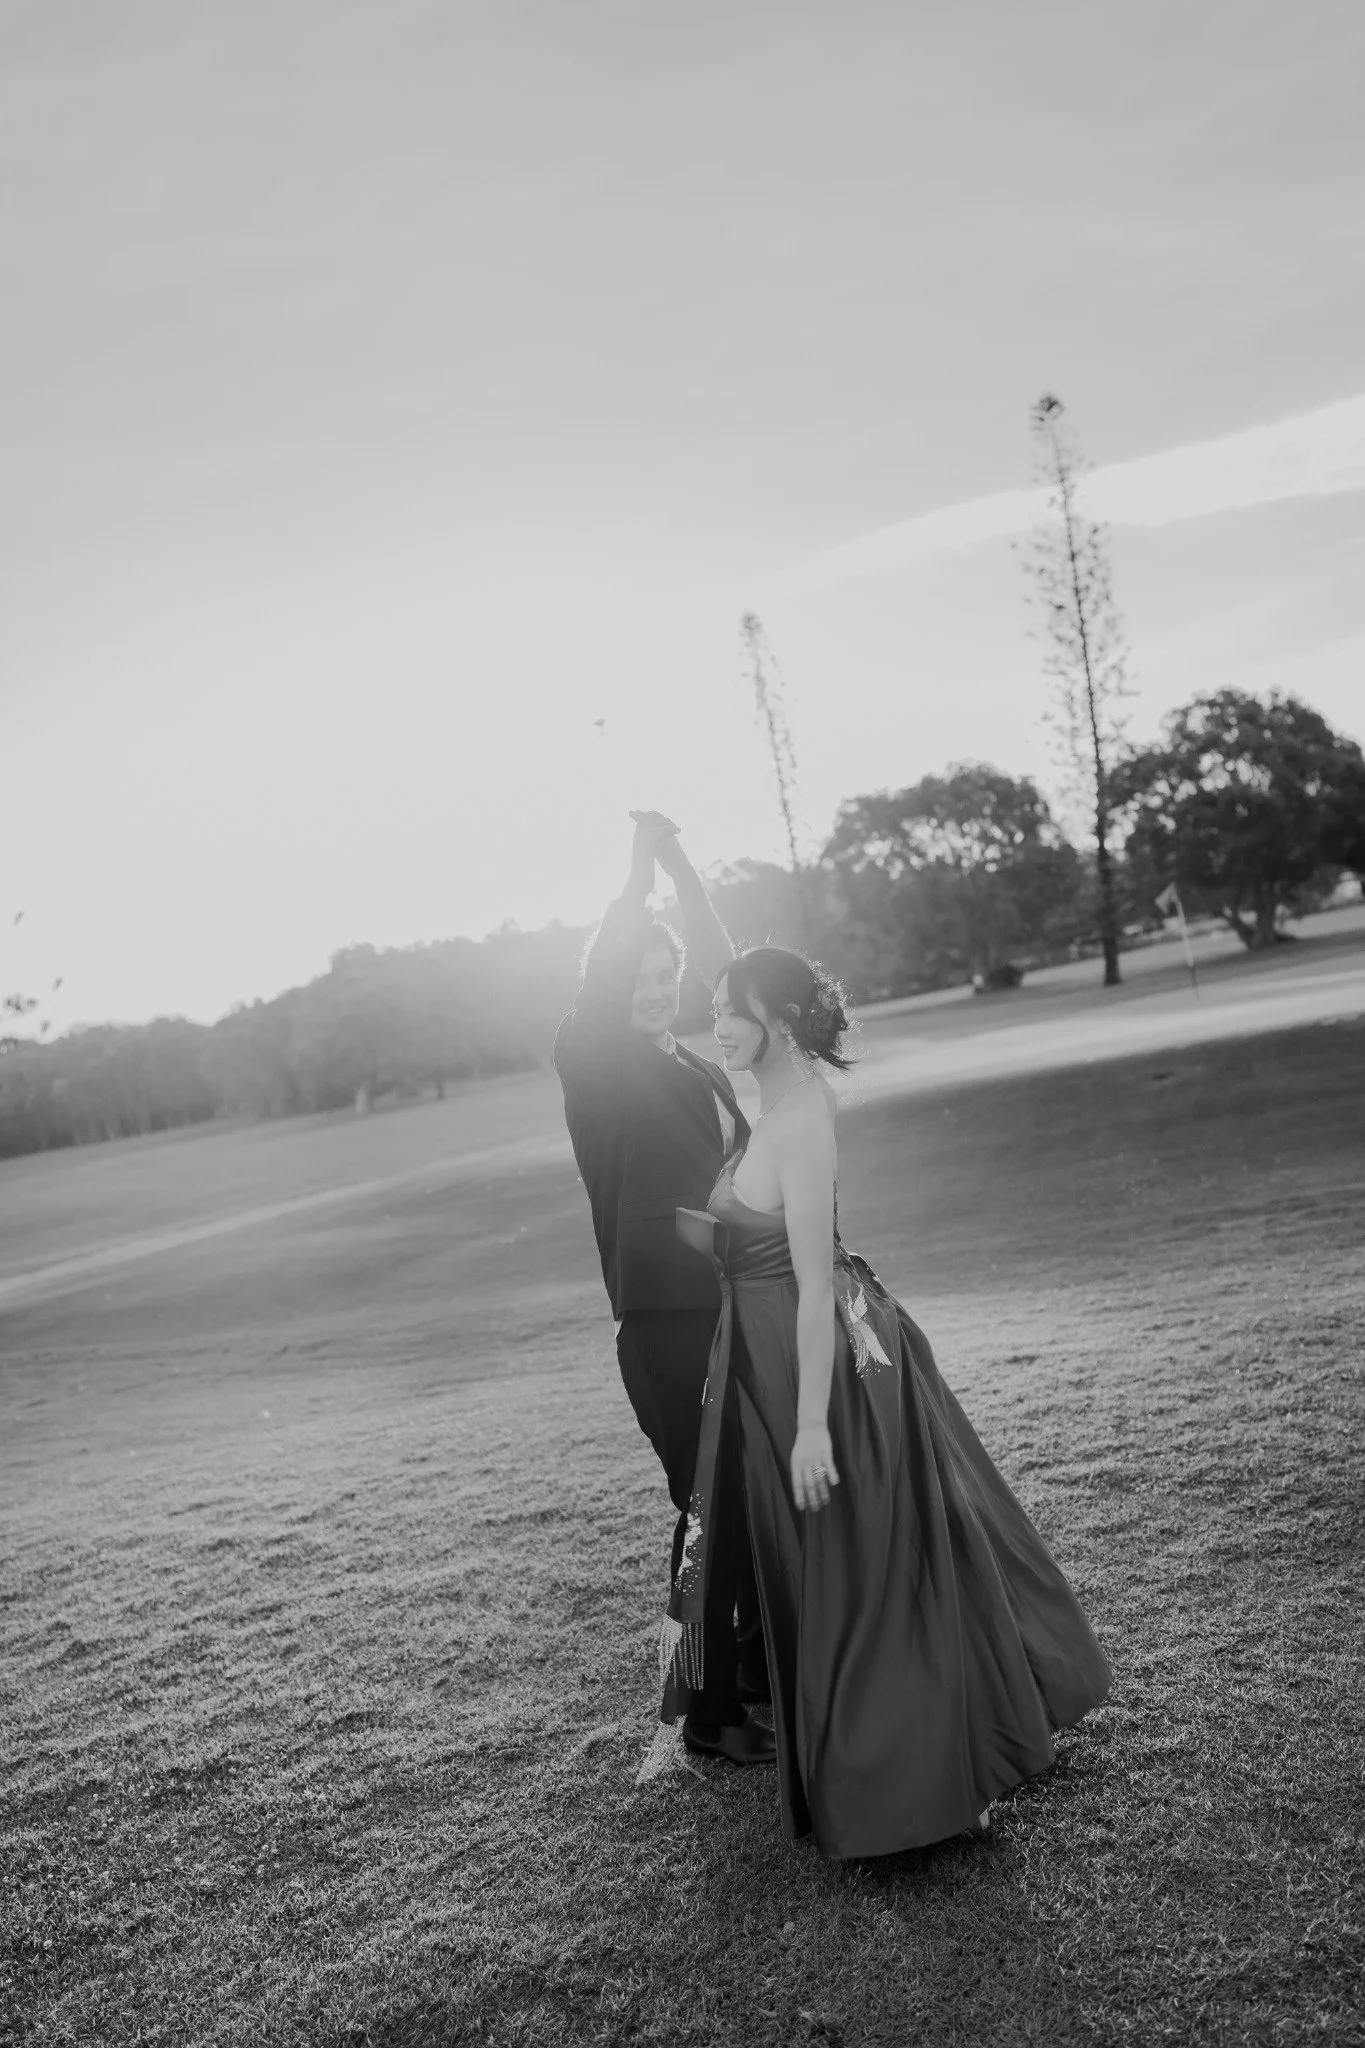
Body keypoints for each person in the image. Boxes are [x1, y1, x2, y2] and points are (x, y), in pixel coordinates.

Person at [661, 945, 1111, 1856]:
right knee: (844, 1562)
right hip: (767, 1356)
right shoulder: (775, 1102)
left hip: (816, 1364)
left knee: (868, 1567)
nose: (715, 1025)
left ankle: (935, 1769)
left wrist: (814, 1423)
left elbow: (815, 1276)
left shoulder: (799, 1121)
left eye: (729, 1010)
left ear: (777, 1019)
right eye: (710, 1008)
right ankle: (921, 1747)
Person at [553, 812, 773, 1765]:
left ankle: (750, 1675)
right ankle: (712, 1714)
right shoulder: (595, 1062)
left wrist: (686, 865)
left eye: (663, 978)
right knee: (709, 1507)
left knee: (745, 1498)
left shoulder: (686, 1060)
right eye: (636, 979)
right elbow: (608, 972)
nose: (652, 992)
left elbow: (727, 968)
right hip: (664, 1320)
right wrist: (638, 871)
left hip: (728, 1306)